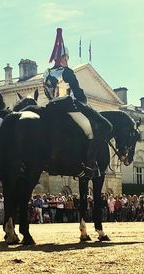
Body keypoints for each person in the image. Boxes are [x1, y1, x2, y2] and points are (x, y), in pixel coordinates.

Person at [43, 28, 113, 179]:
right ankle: (89, 165)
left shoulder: (46, 73)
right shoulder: (67, 72)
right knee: (92, 131)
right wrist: (83, 103)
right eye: (67, 58)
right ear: (64, 57)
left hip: (50, 109)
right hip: (68, 108)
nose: (67, 60)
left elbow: (47, 93)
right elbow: (78, 92)